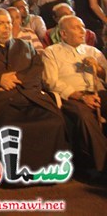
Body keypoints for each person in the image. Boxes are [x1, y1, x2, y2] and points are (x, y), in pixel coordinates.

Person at [0, 9, 67, 172]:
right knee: (9, 127)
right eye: (0, 24)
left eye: (8, 23)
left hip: (29, 98)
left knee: (54, 120)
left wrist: (17, 78)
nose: (6, 27)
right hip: (0, 103)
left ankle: (48, 170)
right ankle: (14, 174)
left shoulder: (26, 46)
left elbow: (37, 69)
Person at [42, 15, 107, 174]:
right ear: (63, 34)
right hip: (72, 97)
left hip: (99, 92)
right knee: (84, 115)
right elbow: (50, 82)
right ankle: (103, 166)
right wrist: (81, 96)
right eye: (76, 27)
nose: (82, 31)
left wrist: (99, 69)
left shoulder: (93, 51)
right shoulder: (52, 52)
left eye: (83, 26)